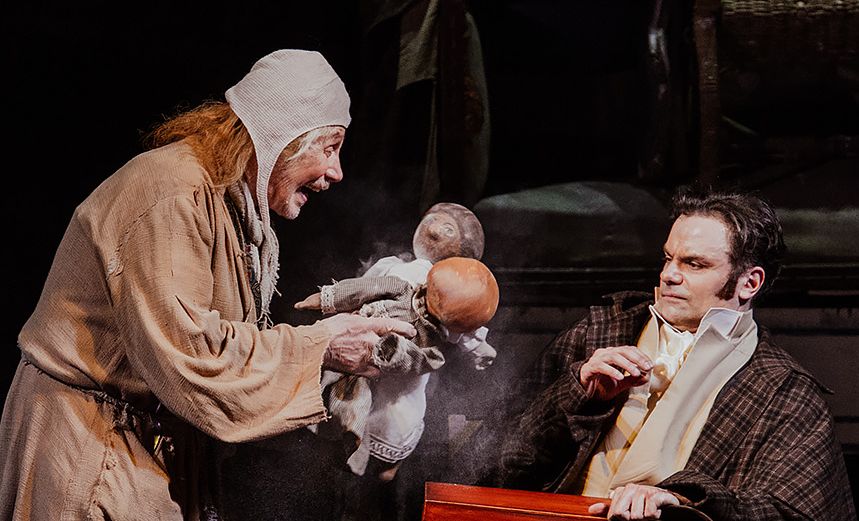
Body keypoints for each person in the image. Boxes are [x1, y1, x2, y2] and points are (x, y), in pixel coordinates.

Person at [0, 49, 416, 520]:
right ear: (282, 136)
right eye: (330, 146)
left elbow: (223, 339)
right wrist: (322, 346)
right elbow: (193, 353)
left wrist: (332, 345)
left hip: (138, 438)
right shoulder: (173, 194)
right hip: (90, 447)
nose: (337, 171)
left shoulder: (225, 204)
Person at [497, 191, 856, 520]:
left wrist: (686, 501)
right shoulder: (598, 334)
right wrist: (576, 393)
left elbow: (787, 511)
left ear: (749, 283)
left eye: (694, 264)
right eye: (668, 258)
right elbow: (495, 462)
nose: (668, 275)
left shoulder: (784, 394)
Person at [296, 256, 499, 480]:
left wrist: (391, 351)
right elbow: (364, 289)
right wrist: (326, 298)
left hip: (371, 366)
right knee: (339, 391)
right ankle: (340, 440)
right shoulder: (402, 288)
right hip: (352, 340)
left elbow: (416, 360)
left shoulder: (431, 342)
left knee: (362, 403)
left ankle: (357, 448)